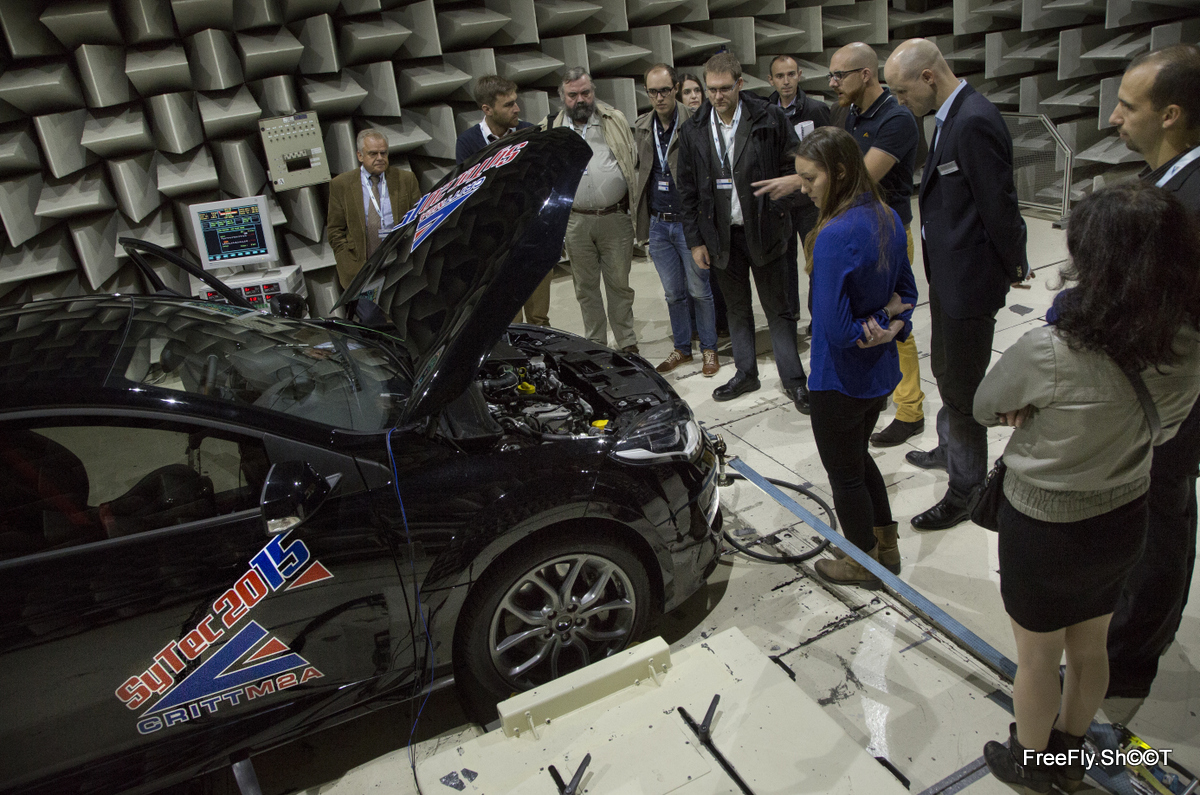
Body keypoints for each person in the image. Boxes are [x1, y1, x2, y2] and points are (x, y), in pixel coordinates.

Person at [972, 183, 1200, 793]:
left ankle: (1032, 762)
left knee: (1039, 655)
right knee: (1091, 644)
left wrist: (1033, 414)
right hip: (1124, 514)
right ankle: (1069, 755)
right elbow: (1170, 427)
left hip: (1044, 527)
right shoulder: (1187, 348)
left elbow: (985, 404)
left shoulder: (1049, 349)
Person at [884, 39, 1029, 531]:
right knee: (946, 371)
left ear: (928, 77)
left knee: (964, 390)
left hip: (969, 283)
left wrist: (1015, 266)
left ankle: (966, 490)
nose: (900, 102)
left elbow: (999, 204)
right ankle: (951, 451)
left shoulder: (974, 120)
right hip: (949, 278)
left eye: (903, 92)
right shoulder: (950, 117)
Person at [1103, 44, 1200, 699]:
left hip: (1174, 401)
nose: (1113, 118)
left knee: (1162, 516)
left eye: (1127, 106)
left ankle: (1133, 654)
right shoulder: (1167, 186)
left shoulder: (1188, 203)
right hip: (1157, 396)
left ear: (1170, 115)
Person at [789, 127, 916, 588]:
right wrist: (891, 317)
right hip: (879, 377)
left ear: (839, 172)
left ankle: (860, 562)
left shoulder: (834, 234)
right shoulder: (886, 214)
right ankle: (888, 547)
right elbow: (909, 294)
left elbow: (840, 332)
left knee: (844, 476)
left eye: (810, 178)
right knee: (860, 460)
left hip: (838, 381)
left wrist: (883, 318)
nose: (804, 188)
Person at [677, 52, 810, 412]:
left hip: (765, 232)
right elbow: (686, 190)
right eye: (711, 89)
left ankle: (795, 381)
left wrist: (778, 210)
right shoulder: (693, 130)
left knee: (778, 311)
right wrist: (695, 241)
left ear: (739, 84)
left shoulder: (768, 117)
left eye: (724, 88)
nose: (717, 96)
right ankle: (746, 373)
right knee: (736, 310)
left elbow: (793, 165)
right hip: (722, 238)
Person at [822, 43, 926, 448]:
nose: (833, 83)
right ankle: (879, 391)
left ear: (866, 74)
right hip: (854, 235)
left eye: (839, 75)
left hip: (889, 238)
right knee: (865, 321)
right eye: (831, 75)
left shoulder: (897, 119)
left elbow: (859, 178)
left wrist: (802, 180)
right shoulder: (847, 113)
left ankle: (910, 411)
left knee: (897, 325)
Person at [543, 67, 639, 353]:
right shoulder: (551, 128)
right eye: (573, 95)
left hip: (615, 218)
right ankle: (596, 344)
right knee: (585, 289)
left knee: (620, 286)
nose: (580, 100)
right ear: (563, 97)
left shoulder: (614, 120)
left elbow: (632, 159)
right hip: (575, 223)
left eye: (586, 93)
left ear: (593, 92)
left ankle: (627, 342)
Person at [632, 63, 720, 377]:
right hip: (658, 224)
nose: (659, 97)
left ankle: (709, 348)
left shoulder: (695, 122)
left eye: (665, 90)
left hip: (688, 224)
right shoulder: (643, 126)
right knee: (673, 293)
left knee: (699, 290)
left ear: (675, 89)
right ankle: (682, 348)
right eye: (652, 91)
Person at [455, 75, 546, 327]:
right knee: (508, 319)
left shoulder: (530, 131)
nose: (517, 109)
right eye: (508, 105)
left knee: (539, 318)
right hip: (495, 245)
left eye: (516, 102)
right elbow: (470, 196)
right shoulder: (467, 143)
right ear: (487, 109)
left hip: (532, 237)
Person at [766, 54, 832, 328]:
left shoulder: (816, 110)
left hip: (809, 203)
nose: (786, 81)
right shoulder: (764, 111)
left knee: (816, 262)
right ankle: (790, 317)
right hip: (781, 204)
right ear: (771, 80)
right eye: (780, 76)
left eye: (791, 74)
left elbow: (831, 151)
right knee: (784, 267)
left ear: (800, 74)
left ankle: (820, 318)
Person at [327, 129, 422, 289]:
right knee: (371, 314)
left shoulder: (406, 179)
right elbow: (335, 230)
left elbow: (419, 218)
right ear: (360, 156)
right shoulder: (341, 184)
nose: (380, 158)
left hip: (400, 267)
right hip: (361, 271)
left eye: (383, 153)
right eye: (373, 154)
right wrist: (346, 260)